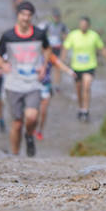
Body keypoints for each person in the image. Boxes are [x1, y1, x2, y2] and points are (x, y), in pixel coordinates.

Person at [0, 0, 73, 156]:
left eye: (29, 15)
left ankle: (29, 135)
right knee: (17, 124)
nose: (26, 18)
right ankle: (15, 155)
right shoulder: (8, 35)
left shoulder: (39, 34)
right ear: (18, 16)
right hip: (14, 83)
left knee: (31, 117)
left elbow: (48, 49)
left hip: (33, 83)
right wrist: (3, 65)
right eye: (23, 14)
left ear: (32, 17)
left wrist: (44, 66)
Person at [62, 16, 106, 122]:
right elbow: (65, 48)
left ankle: (86, 110)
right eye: (81, 24)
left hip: (90, 66)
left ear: (88, 26)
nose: (83, 26)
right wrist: (62, 61)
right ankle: (81, 107)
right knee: (78, 89)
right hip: (76, 67)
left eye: (85, 25)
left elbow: (101, 48)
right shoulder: (73, 35)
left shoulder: (94, 36)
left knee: (86, 87)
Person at [35, 8, 68, 140]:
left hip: (57, 48)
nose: (56, 17)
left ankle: (57, 85)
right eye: (54, 16)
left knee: (56, 68)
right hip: (48, 48)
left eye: (57, 16)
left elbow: (66, 37)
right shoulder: (47, 26)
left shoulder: (62, 26)